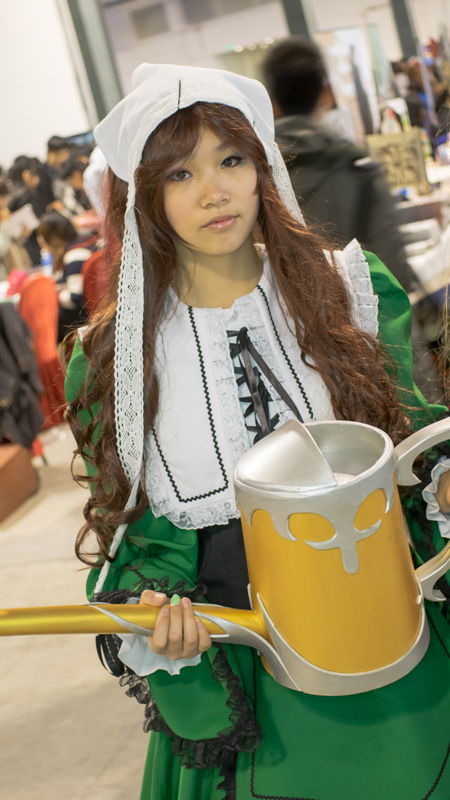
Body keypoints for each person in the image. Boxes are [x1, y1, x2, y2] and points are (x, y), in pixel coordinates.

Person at [64, 64, 449, 800]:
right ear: (144, 197)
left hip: (386, 624)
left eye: (232, 160)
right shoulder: (113, 358)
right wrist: (156, 610)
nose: (214, 192)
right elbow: (136, 534)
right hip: (243, 650)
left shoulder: (352, 288)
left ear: (263, 167)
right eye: (180, 174)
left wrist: (442, 483)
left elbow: (417, 447)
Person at [260, 37, 417, 294]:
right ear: (327, 93)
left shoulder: (253, 175)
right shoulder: (359, 170)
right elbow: (395, 276)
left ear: (270, 100)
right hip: (359, 315)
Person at [37, 211, 97, 341]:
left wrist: (54, 295)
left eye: (41, 236)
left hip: (84, 320)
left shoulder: (74, 256)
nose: (39, 240)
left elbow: (75, 298)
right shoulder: (85, 241)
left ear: (52, 237)